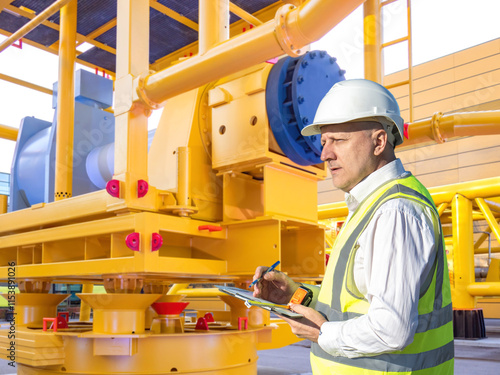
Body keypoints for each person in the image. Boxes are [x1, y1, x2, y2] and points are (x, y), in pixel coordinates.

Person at [253, 79, 454, 374]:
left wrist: (323, 333)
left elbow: (391, 329)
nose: (325, 155)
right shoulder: (369, 206)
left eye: (339, 140)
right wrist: (296, 296)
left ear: (379, 142)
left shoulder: (394, 211)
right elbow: (354, 303)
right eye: (323, 142)